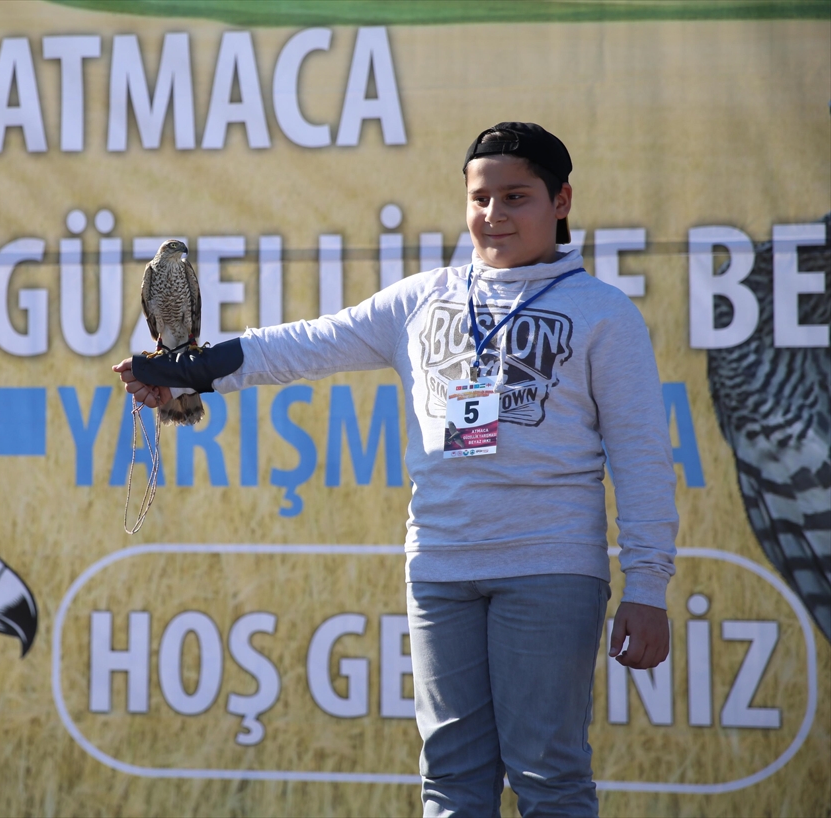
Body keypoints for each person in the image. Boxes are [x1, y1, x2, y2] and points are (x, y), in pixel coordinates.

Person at [114, 122, 676, 817]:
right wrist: (186, 374)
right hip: (439, 567)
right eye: (479, 199)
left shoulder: (601, 313)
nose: (493, 216)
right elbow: (303, 345)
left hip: (550, 565)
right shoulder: (422, 298)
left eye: (515, 197)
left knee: (547, 773)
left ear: (561, 202)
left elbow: (644, 456)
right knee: (449, 778)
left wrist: (648, 583)